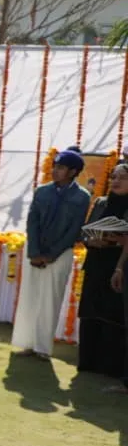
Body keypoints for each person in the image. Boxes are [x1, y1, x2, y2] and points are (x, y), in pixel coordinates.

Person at [12, 149, 91, 361]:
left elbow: (75, 229)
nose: (55, 171)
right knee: (30, 297)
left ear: (73, 172)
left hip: (61, 254)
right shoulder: (42, 191)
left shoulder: (82, 197)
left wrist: (52, 254)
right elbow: (32, 222)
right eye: (54, 166)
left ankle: (42, 349)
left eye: (61, 168)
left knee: (50, 299)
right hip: (35, 251)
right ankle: (26, 343)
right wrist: (35, 252)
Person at [78, 163, 128, 386]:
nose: (115, 181)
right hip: (95, 263)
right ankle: (88, 362)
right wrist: (91, 240)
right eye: (113, 177)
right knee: (90, 311)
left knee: (112, 315)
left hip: (117, 265)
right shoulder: (100, 203)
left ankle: (110, 368)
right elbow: (85, 230)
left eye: (122, 178)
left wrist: (114, 241)